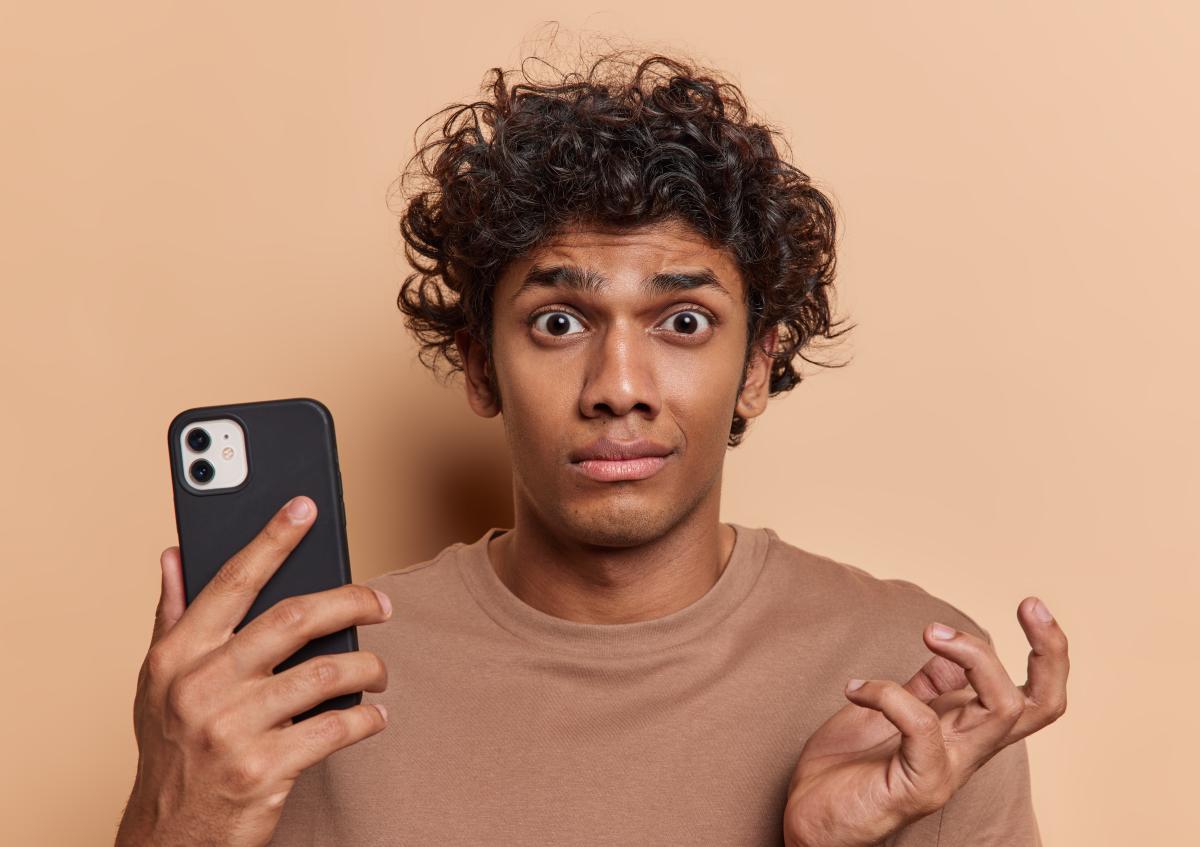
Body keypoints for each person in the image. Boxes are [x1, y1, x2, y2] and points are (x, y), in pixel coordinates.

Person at [115, 50, 1069, 846]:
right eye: (561, 320)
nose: (619, 383)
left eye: (684, 321)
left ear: (756, 365)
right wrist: (178, 820)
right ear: (480, 367)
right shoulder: (304, 685)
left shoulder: (915, 676)